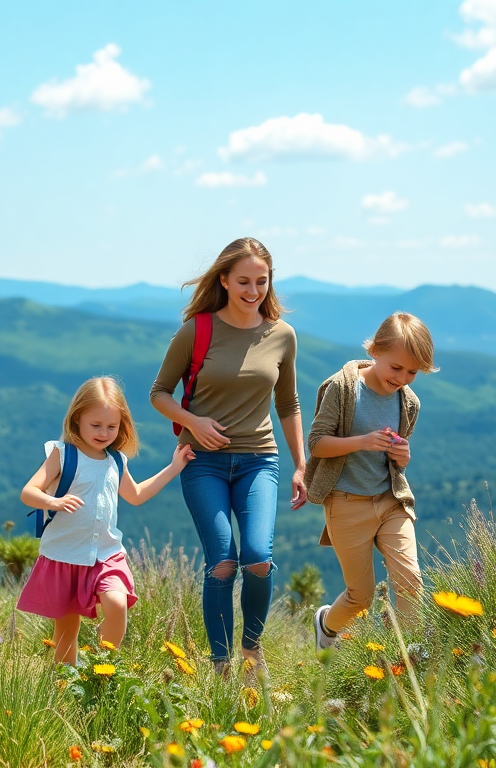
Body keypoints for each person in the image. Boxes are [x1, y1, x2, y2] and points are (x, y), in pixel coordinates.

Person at [150, 237, 307, 679]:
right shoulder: (196, 330)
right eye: (243, 281)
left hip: (260, 460)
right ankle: (220, 667)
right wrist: (192, 422)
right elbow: (159, 393)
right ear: (223, 280)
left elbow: (288, 403)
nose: (253, 290)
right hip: (203, 462)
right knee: (222, 561)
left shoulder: (282, 335)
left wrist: (301, 464)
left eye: (262, 281)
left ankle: (251, 652)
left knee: (257, 557)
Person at [18, 377, 195, 664]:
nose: (104, 433)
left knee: (116, 603)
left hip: (107, 553)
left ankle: (102, 667)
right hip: (65, 554)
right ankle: (65, 681)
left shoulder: (116, 461)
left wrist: (174, 467)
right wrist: (53, 502)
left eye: (112, 427)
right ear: (77, 419)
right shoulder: (62, 455)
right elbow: (29, 492)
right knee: (66, 631)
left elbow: (136, 495)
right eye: (96, 425)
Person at [304, 312, 437, 650]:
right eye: (397, 367)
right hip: (347, 503)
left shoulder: (409, 402)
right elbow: (316, 444)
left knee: (410, 582)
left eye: (412, 372)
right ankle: (326, 626)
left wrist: (402, 456)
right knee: (360, 597)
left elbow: (396, 461)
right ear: (375, 350)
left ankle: (409, 658)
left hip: (391, 500)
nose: (403, 378)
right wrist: (361, 441)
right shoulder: (342, 388)